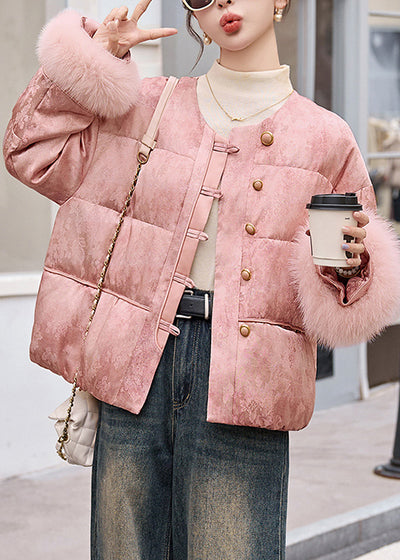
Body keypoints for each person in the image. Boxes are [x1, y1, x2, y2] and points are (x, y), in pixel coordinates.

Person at [3, 1, 400, 558]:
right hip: (136, 366)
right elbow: (32, 153)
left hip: (248, 381)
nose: (223, 4)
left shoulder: (325, 138)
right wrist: (95, 59)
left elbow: (350, 300)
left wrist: (353, 266)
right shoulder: (146, 105)